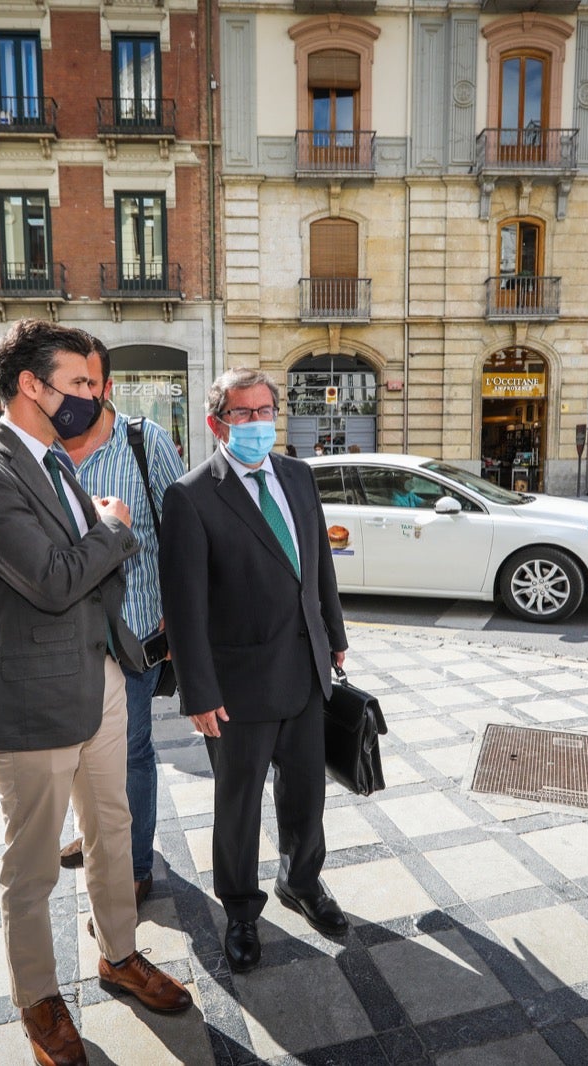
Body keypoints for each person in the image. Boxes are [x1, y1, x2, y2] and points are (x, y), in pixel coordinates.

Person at [0, 320, 191, 1066]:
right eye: (80, 384)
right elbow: (55, 580)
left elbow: (86, 578)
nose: (94, 396)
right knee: (32, 867)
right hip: (30, 698)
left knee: (112, 830)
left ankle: (118, 954)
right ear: (32, 385)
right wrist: (113, 528)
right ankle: (39, 1001)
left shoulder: (57, 462)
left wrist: (100, 550)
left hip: (103, 677)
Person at [159, 367, 350, 973]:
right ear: (217, 423)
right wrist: (198, 691)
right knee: (237, 806)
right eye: (243, 413)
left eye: (266, 410)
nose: (258, 422)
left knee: (306, 794)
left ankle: (302, 881)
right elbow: (184, 608)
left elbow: (317, 564)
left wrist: (335, 636)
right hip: (235, 687)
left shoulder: (296, 474)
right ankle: (241, 909)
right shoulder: (190, 495)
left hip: (305, 670)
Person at [56, 336, 188, 902]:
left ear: (107, 388)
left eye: (89, 384)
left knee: (131, 754)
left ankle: (133, 865)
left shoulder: (144, 441)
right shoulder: (39, 450)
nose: (78, 396)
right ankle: (93, 833)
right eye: (69, 385)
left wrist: (181, 622)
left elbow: (184, 535)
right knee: (72, 753)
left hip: (131, 637)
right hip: (61, 639)